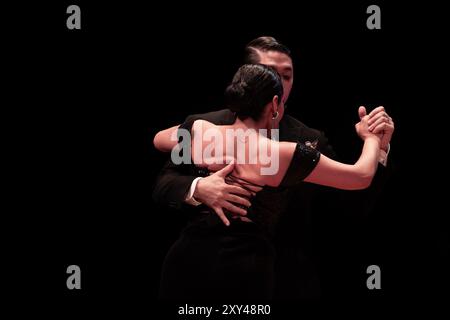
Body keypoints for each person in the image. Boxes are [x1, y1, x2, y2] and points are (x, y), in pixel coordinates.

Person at [154, 63, 382, 300]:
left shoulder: (201, 129)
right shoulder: (282, 154)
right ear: (274, 104)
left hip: (186, 258)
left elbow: (159, 140)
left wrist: (195, 147)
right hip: (242, 266)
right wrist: (371, 138)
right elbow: (361, 176)